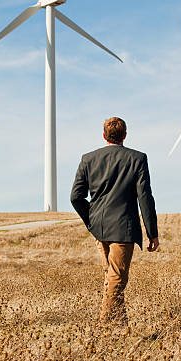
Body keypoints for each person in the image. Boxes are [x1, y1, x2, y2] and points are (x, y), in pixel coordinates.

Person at [70, 117, 159, 324]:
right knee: (116, 279)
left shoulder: (88, 159)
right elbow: (144, 196)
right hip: (123, 228)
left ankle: (120, 324)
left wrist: (91, 219)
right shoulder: (137, 158)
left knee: (112, 278)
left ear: (104, 136)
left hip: (99, 228)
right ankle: (104, 326)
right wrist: (152, 232)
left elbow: (76, 197)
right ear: (125, 135)